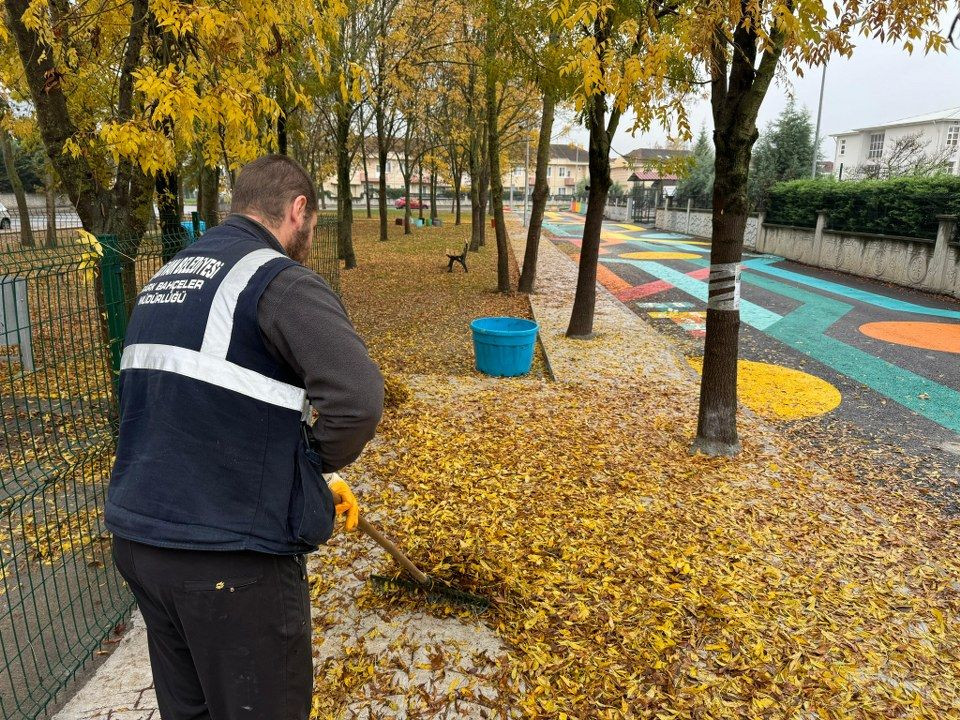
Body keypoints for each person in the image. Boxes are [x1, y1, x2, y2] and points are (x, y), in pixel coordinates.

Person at [106, 154, 384, 720]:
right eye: (311, 224)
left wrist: (297, 469)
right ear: (297, 210)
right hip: (228, 562)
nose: (308, 238)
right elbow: (357, 402)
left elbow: (184, 405)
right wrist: (303, 468)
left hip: (142, 545)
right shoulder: (278, 280)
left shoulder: (167, 279)